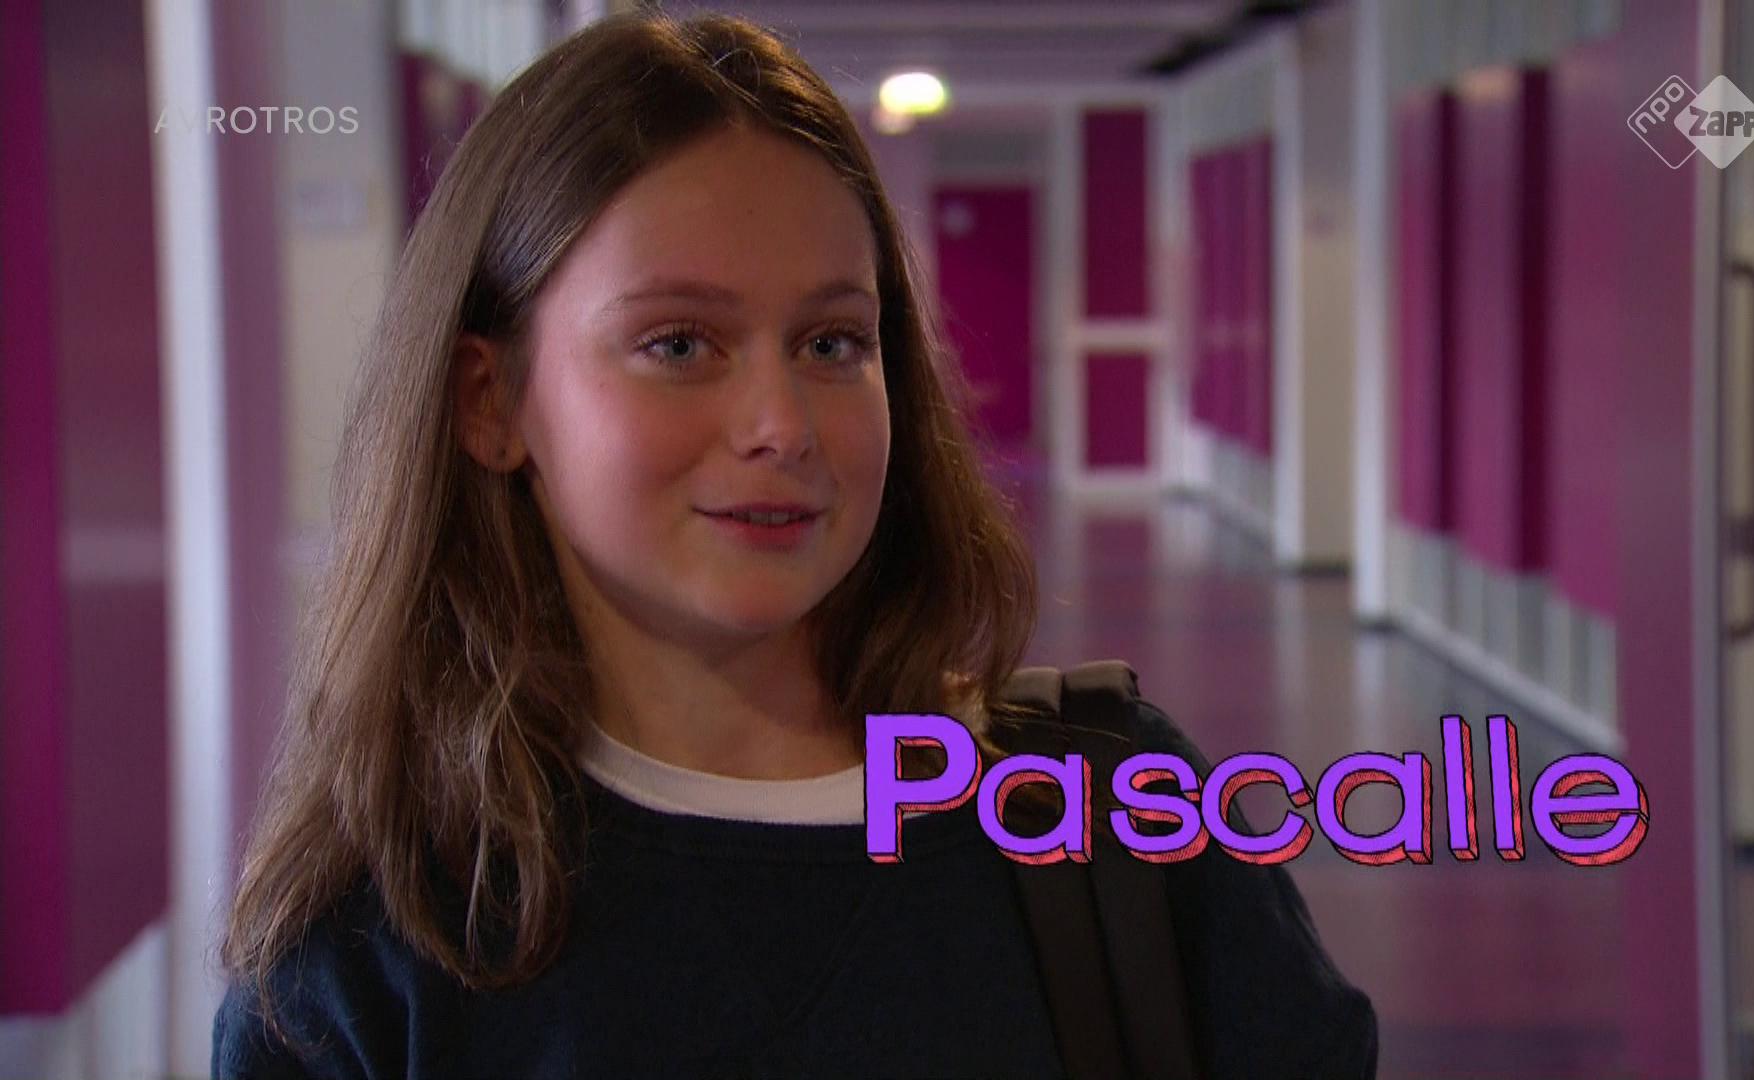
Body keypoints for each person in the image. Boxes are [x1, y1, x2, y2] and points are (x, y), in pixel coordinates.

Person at [211, 11, 1377, 1078]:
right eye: (679, 344)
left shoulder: (1113, 807)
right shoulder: (371, 946)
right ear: (491, 401)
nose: (782, 424)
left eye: (831, 344)